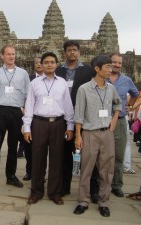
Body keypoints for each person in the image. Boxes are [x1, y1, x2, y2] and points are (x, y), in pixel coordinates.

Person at [73, 55, 122, 217]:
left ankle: (104, 202)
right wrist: (78, 136)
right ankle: (83, 201)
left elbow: (118, 104)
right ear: (97, 69)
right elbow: (78, 114)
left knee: (106, 171)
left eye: (111, 66)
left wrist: (114, 120)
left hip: (106, 133)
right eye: (107, 67)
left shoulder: (111, 88)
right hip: (89, 133)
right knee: (86, 169)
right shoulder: (84, 89)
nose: (110, 69)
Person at [23, 52, 74, 205]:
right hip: (39, 123)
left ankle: (54, 192)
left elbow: (68, 106)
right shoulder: (34, 83)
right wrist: (27, 127)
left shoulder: (62, 83)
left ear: (57, 64)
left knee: (57, 159)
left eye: (52, 62)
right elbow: (29, 105)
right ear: (42, 65)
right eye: (46, 62)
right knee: (37, 158)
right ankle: (36, 191)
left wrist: (70, 126)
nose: (49, 64)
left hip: (58, 124)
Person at [0, 44, 30, 190]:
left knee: (13, 145)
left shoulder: (23, 74)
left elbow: (27, 95)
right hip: (0, 110)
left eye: (13, 54)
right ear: (2, 56)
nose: (11, 56)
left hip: (17, 111)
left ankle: (11, 175)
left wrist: (26, 111)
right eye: (8, 54)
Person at [55, 40, 95, 198]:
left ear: (79, 52)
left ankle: (91, 190)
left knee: (87, 156)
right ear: (64, 53)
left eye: (75, 50)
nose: (72, 52)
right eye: (69, 50)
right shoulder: (58, 71)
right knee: (64, 154)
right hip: (62, 118)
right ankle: (64, 186)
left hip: (84, 118)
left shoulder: (88, 71)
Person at [107, 52, 139, 197]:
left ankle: (116, 185)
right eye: (114, 62)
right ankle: (100, 184)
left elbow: (135, 94)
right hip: (101, 122)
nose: (117, 65)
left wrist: (130, 106)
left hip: (119, 120)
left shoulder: (126, 80)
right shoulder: (101, 77)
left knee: (119, 154)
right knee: (100, 155)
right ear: (109, 62)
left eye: (119, 63)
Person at [19, 56, 43, 181]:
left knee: (41, 148)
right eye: (37, 63)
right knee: (28, 146)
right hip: (28, 116)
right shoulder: (29, 79)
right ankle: (29, 171)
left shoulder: (51, 79)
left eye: (41, 63)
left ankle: (40, 173)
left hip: (43, 118)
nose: (39, 65)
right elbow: (22, 95)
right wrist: (22, 108)